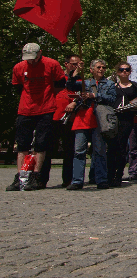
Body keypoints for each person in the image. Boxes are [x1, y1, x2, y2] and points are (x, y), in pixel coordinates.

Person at [7, 43, 66, 191]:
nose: (31, 61)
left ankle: (36, 175)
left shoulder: (51, 64)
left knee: (41, 144)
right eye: (28, 59)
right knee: (22, 145)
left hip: (46, 108)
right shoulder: (19, 67)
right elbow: (18, 87)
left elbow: (60, 84)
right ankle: (20, 176)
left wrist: (49, 97)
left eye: (33, 58)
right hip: (25, 109)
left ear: (40, 53)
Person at [65, 59, 115, 190]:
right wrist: (76, 72)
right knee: (79, 151)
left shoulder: (109, 84)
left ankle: (101, 179)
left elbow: (112, 99)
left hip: (99, 120)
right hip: (83, 119)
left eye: (103, 67)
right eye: (98, 67)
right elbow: (70, 85)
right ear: (91, 69)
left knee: (99, 151)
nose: (101, 69)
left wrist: (94, 95)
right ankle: (77, 181)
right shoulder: (85, 82)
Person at [40, 54, 83, 188]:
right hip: (53, 116)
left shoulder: (80, 80)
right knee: (47, 149)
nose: (75, 67)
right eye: (73, 64)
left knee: (69, 150)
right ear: (66, 64)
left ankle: (68, 179)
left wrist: (75, 103)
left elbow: (82, 95)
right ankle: (42, 179)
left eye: (77, 64)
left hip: (70, 118)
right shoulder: (58, 77)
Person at [108, 62, 137, 187]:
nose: (124, 72)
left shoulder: (135, 86)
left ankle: (118, 175)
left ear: (130, 72)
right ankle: (109, 175)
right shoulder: (113, 86)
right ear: (118, 72)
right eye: (122, 69)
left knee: (122, 147)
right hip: (113, 119)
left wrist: (135, 105)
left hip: (127, 119)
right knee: (111, 148)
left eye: (127, 70)